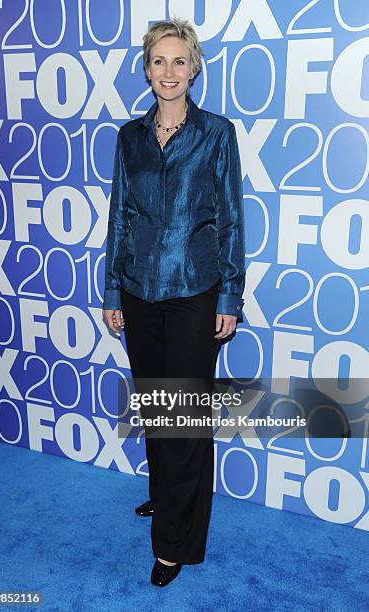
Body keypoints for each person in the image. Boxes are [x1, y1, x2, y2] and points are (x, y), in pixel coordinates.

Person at [102, 17, 246, 587]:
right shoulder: (129, 138)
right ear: (146, 68)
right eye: (158, 61)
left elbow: (231, 219)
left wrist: (230, 294)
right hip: (138, 293)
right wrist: (113, 287)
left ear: (194, 68)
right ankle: (166, 498)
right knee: (157, 409)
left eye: (179, 61)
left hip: (194, 292)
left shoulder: (216, 133)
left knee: (183, 420)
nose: (169, 72)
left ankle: (175, 545)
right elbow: (119, 217)